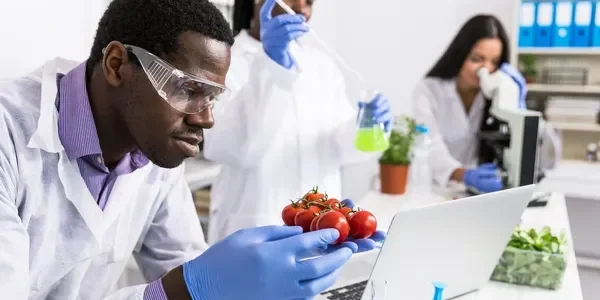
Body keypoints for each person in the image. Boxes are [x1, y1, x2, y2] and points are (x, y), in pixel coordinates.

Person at [0, 0, 384, 299]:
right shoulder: (10, 134)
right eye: (188, 90)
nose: (206, 119)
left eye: (212, 98)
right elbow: (189, 284)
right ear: (117, 64)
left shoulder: (151, 150)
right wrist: (190, 288)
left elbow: (183, 261)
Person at [203, 0, 392, 244]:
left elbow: (337, 147)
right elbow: (235, 148)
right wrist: (272, 66)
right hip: (255, 228)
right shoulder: (225, 61)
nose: (302, 8)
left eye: (309, 2)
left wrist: (366, 126)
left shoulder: (321, 65)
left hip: (323, 226)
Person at [411, 14, 559, 194]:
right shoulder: (429, 90)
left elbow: (548, 159)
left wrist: (518, 108)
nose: (486, 69)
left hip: (473, 193)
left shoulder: (493, 95)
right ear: (460, 55)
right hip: (433, 189)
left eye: (494, 62)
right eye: (476, 59)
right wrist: (465, 175)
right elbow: (429, 146)